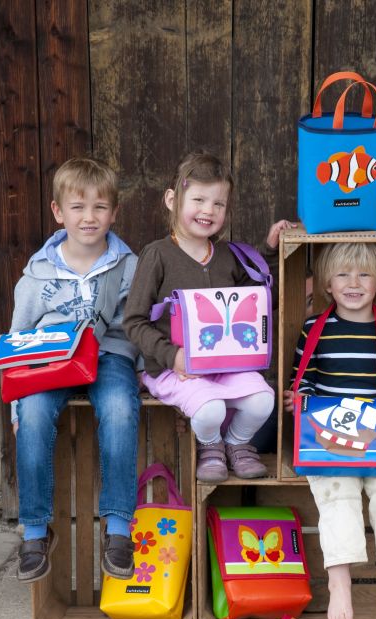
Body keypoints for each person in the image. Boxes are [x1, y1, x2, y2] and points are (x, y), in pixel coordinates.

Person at [123, 149, 294, 483]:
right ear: (172, 200)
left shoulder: (229, 255)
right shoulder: (157, 255)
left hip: (225, 365)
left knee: (263, 399)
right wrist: (172, 356)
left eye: (218, 203)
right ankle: (211, 447)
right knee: (211, 408)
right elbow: (134, 321)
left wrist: (271, 252)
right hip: (176, 369)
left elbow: (261, 300)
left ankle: (237, 443)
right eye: (199, 200)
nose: (208, 210)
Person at [10, 156, 140, 582]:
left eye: (100, 207)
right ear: (58, 211)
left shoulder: (128, 266)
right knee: (32, 415)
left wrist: (147, 373)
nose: (89, 217)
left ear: (114, 212)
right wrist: (15, 407)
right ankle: (35, 531)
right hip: (51, 360)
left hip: (109, 354)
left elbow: (139, 323)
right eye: (78, 207)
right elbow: (18, 337)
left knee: (119, 408)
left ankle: (117, 527)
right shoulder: (37, 274)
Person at [284, 243, 376, 619]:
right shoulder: (315, 329)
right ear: (328, 284)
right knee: (337, 493)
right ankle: (339, 581)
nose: (354, 283)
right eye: (343, 274)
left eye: (364, 275)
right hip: (328, 433)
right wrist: (298, 400)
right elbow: (303, 380)